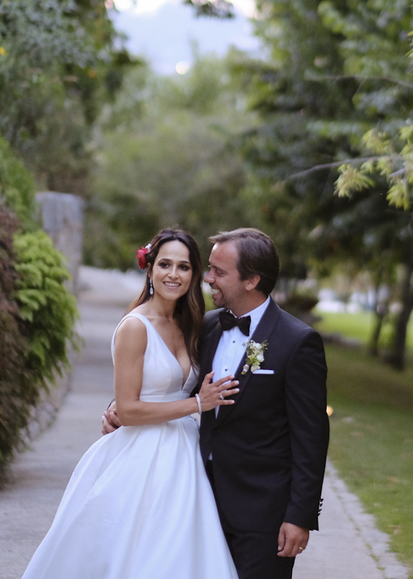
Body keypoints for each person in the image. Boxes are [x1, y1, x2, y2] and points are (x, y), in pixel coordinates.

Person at [105, 227, 330, 579]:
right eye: (208, 268)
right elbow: (169, 377)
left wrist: (299, 516)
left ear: (251, 280)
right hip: (196, 499)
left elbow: (311, 439)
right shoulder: (205, 326)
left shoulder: (298, 342)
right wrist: (120, 408)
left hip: (262, 514)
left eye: (218, 272)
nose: (206, 277)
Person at [19, 229, 241, 579]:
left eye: (183, 267)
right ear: (149, 268)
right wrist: (198, 403)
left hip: (184, 454)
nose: (173, 274)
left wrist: (195, 403)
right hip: (141, 454)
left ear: (193, 275)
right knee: (135, 549)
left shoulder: (190, 325)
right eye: (165, 264)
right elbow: (131, 409)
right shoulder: (135, 326)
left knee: (180, 553)